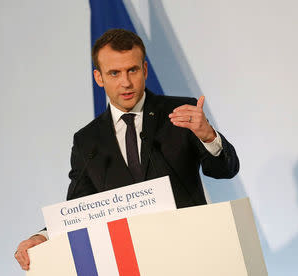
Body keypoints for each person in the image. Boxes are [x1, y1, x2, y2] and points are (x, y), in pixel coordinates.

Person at [15, 29, 239, 271]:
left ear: (144, 69)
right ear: (99, 78)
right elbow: (78, 207)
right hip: (129, 263)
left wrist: (209, 136)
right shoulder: (87, 141)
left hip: (190, 256)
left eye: (132, 70)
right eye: (114, 73)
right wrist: (43, 237)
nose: (126, 82)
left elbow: (225, 170)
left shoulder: (180, 113)